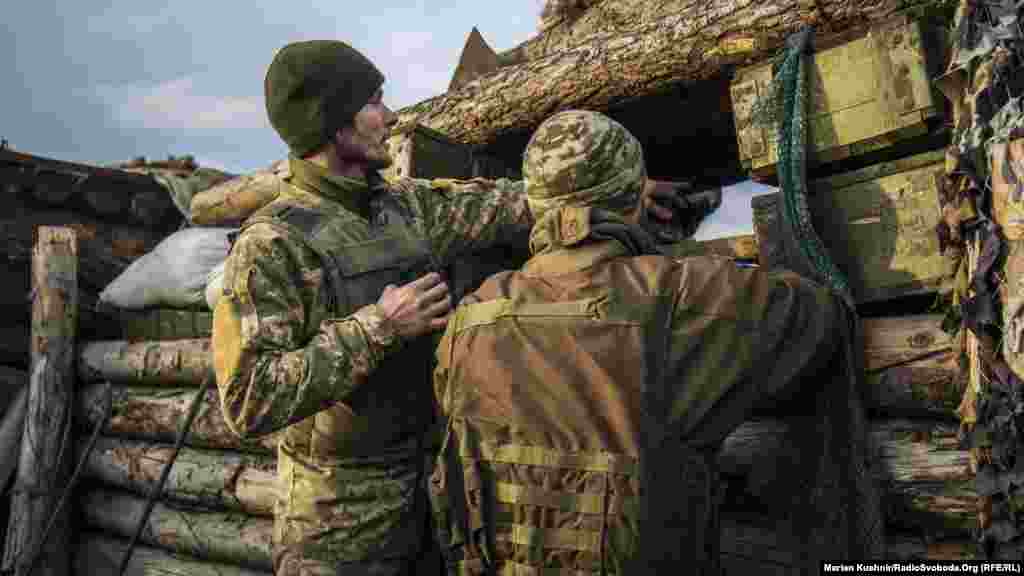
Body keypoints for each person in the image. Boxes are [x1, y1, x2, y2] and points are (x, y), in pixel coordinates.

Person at [211, 41, 694, 576]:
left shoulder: (406, 206)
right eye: (373, 102)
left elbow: (509, 203)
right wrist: (379, 327)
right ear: (334, 124)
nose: (391, 118)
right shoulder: (272, 244)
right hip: (340, 525)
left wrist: (620, 191)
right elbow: (248, 400)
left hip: (436, 501)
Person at [429, 110, 885, 574]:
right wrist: (657, 254)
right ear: (634, 196)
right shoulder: (680, 298)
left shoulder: (469, 319)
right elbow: (819, 319)